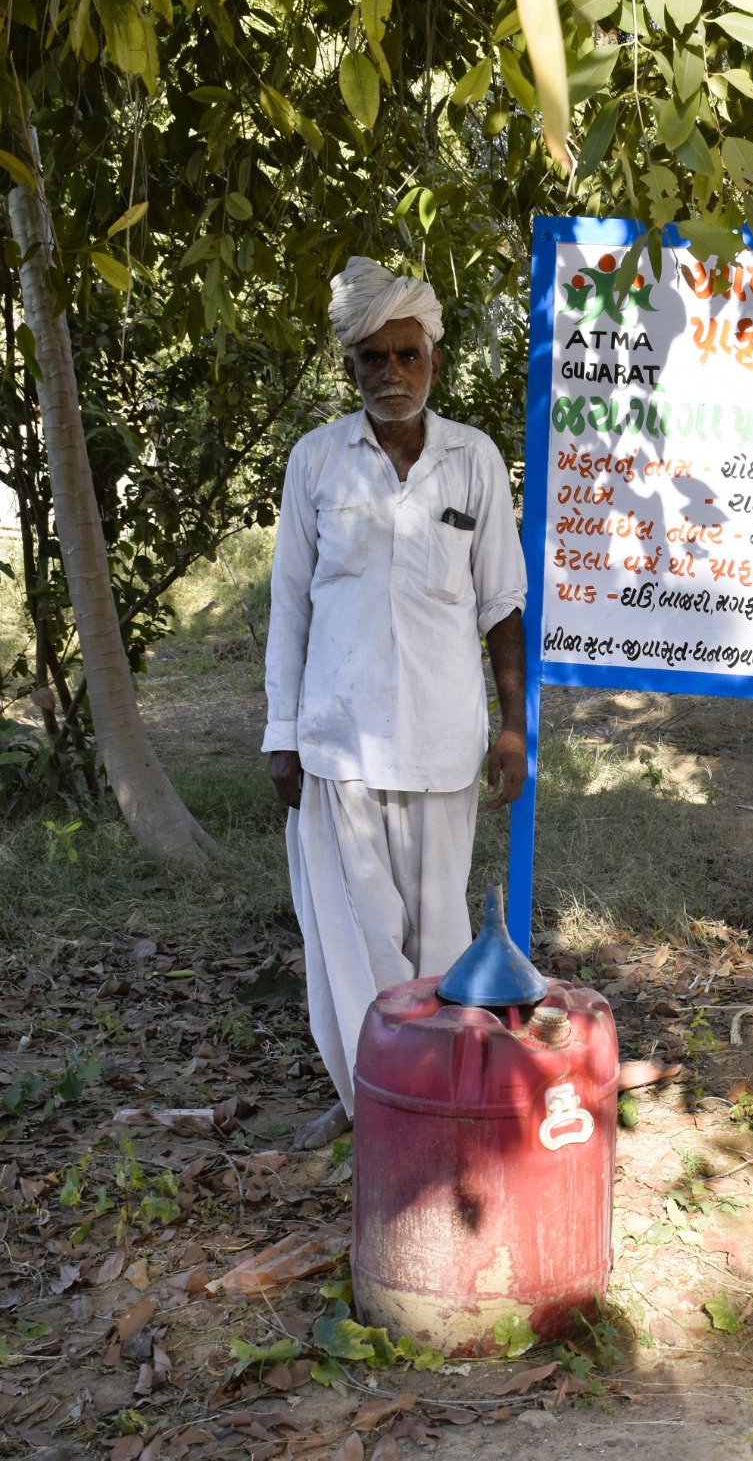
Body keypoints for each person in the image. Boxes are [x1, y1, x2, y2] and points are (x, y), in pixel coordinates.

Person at [263, 257, 528, 1150]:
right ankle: (369, 1108)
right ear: (352, 369)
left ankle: (441, 1105)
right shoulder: (316, 462)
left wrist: (514, 728)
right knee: (358, 943)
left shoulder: (473, 460)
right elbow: (290, 603)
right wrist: (281, 735)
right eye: (372, 360)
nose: (391, 375)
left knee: (442, 934)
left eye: (406, 356)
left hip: (446, 742)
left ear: (433, 360)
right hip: (338, 744)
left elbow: (502, 605)